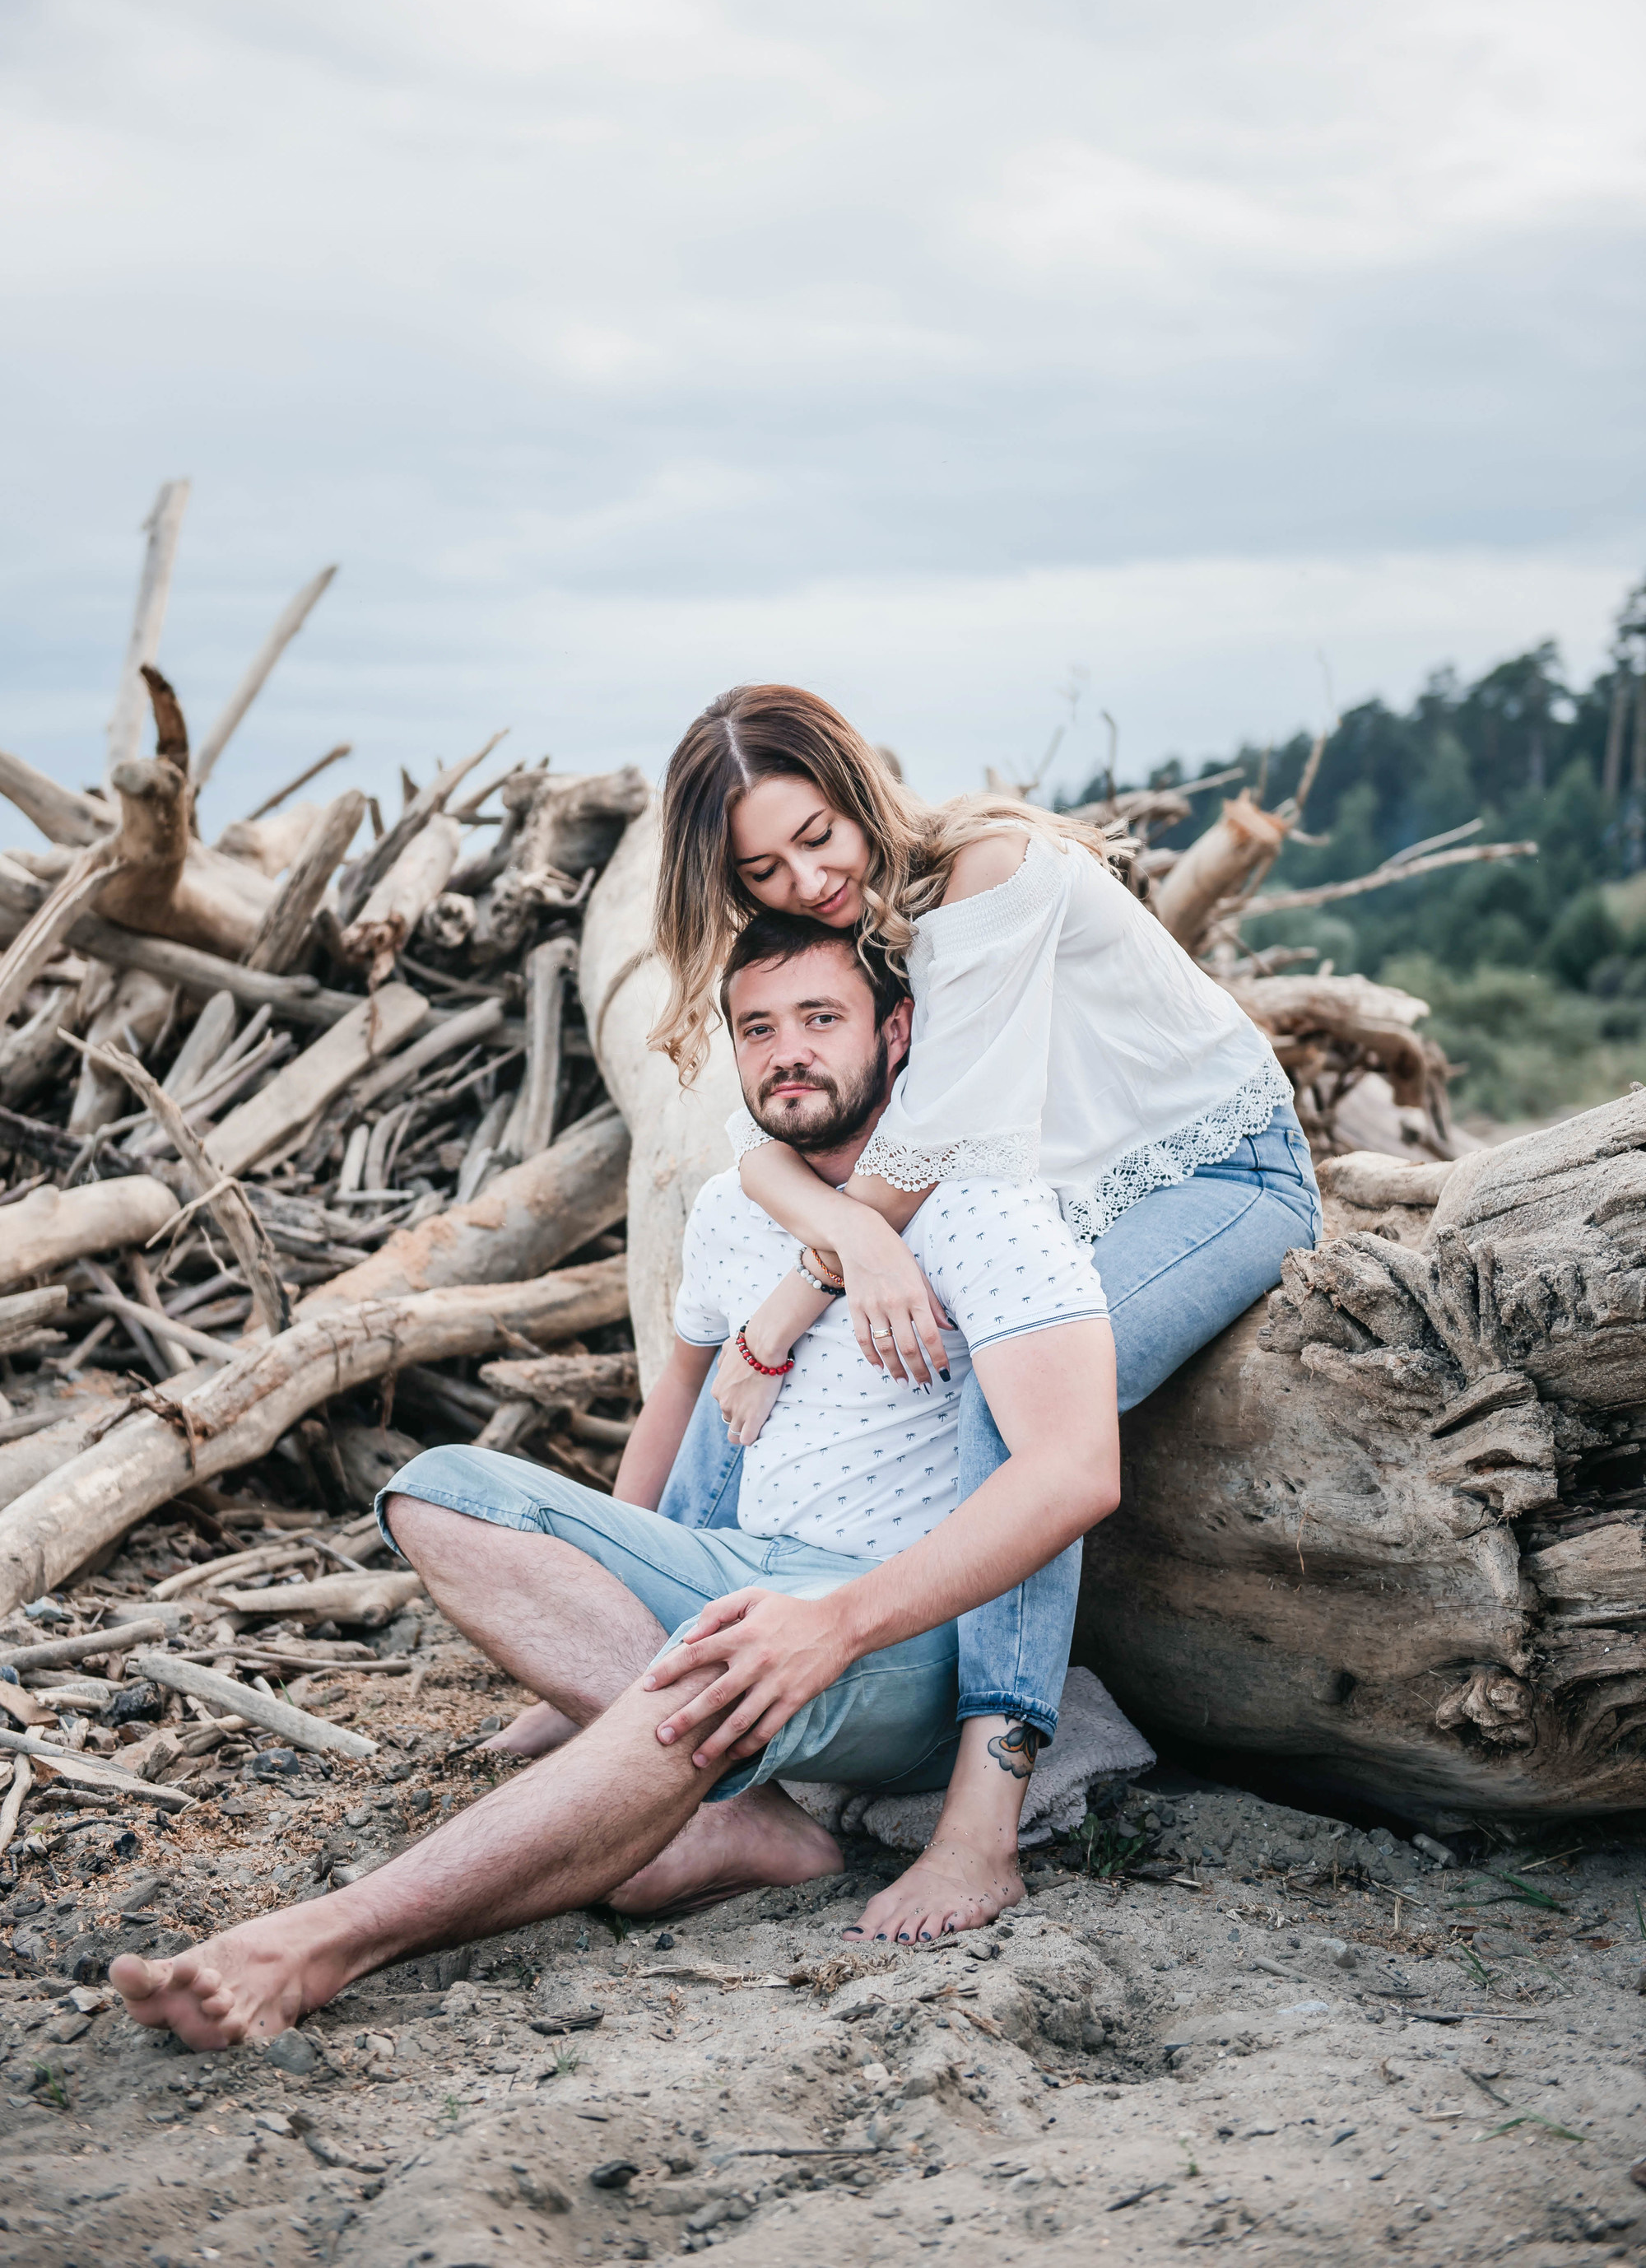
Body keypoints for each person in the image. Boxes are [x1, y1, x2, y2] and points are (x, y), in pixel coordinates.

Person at [108, 915, 1116, 2050]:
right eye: (758, 1028)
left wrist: (832, 1623)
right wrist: (603, 1585)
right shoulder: (737, 1207)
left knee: (707, 1673)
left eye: (820, 1020)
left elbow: (1076, 1475)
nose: (787, 1051)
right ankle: (740, 1818)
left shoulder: (985, 1207)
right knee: (436, 1488)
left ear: (897, 1032)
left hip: (896, 1625)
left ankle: (317, 1944)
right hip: (739, 1565)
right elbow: (676, 1401)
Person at [646, 683, 1323, 1929]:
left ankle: (983, 1821)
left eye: (818, 836)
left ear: (857, 791)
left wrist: (804, 1290)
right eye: (763, 870)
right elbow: (764, 1155)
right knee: (750, 1337)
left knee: (1007, 1418)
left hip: (1218, 1177)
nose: (807, 880)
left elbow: (936, 1137)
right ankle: (649, 1652)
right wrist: (830, 1254)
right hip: (1045, 1208)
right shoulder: (853, 930)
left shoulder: (986, 871)